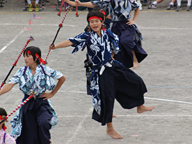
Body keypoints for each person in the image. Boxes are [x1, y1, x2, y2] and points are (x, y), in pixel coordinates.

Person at [49, 10, 155, 139]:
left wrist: (113, 56)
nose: (94, 24)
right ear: (89, 23)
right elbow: (71, 41)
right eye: (92, 21)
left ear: (102, 22)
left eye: (97, 21)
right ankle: (110, 129)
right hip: (100, 72)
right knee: (107, 99)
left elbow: (115, 46)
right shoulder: (86, 36)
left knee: (135, 80)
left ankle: (139, 105)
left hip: (112, 65)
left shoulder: (108, 33)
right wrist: (56, 46)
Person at [0, 46, 66, 144]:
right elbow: (10, 84)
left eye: (28, 56)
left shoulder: (45, 70)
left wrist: (52, 93)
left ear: (36, 57)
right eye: (24, 56)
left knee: (43, 122)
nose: (25, 59)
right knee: (30, 134)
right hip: (27, 104)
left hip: (42, 102)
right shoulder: (22, 71)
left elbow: (62, 78)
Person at [65, 0, 147, 69]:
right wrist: (80, 4)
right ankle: (116, 63)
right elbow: (94, 3)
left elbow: (137, 8)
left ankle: (134, 59)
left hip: (126, 24)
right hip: (114, 24)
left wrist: (134, 20)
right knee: (114, 44)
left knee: (126, 41)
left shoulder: (129, 0)